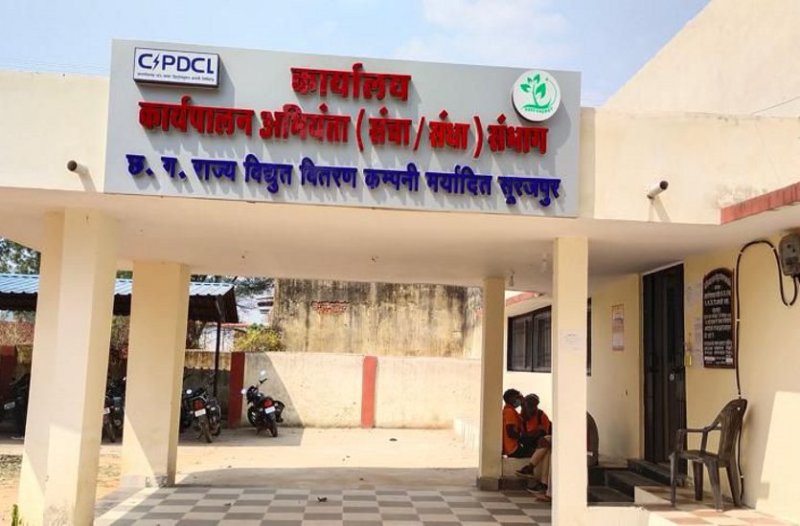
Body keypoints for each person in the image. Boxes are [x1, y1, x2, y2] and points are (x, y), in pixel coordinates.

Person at [516, 393, 552, 496]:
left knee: (545, 443)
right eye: (529, 405)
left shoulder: (541, 415)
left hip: (542, 443)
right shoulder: (521, 418)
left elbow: (543, 434)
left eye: (534, 406)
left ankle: (530, 468)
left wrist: (533, 434)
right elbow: (521, 436)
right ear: (525, 405)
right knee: (545, 448)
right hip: (531, 445)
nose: (532, 408)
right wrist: (533, 433)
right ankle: (543, 484)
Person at [502, 388, 536, 458]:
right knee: (538, 452)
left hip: (512, 447)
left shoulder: (510, 411)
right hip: (513, 448)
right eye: (517, 397)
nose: (519, 399)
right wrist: (523, 436)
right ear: (510, 398)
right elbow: (510, 432)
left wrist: (523, 405)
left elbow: (525, 418)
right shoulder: (509, 412)